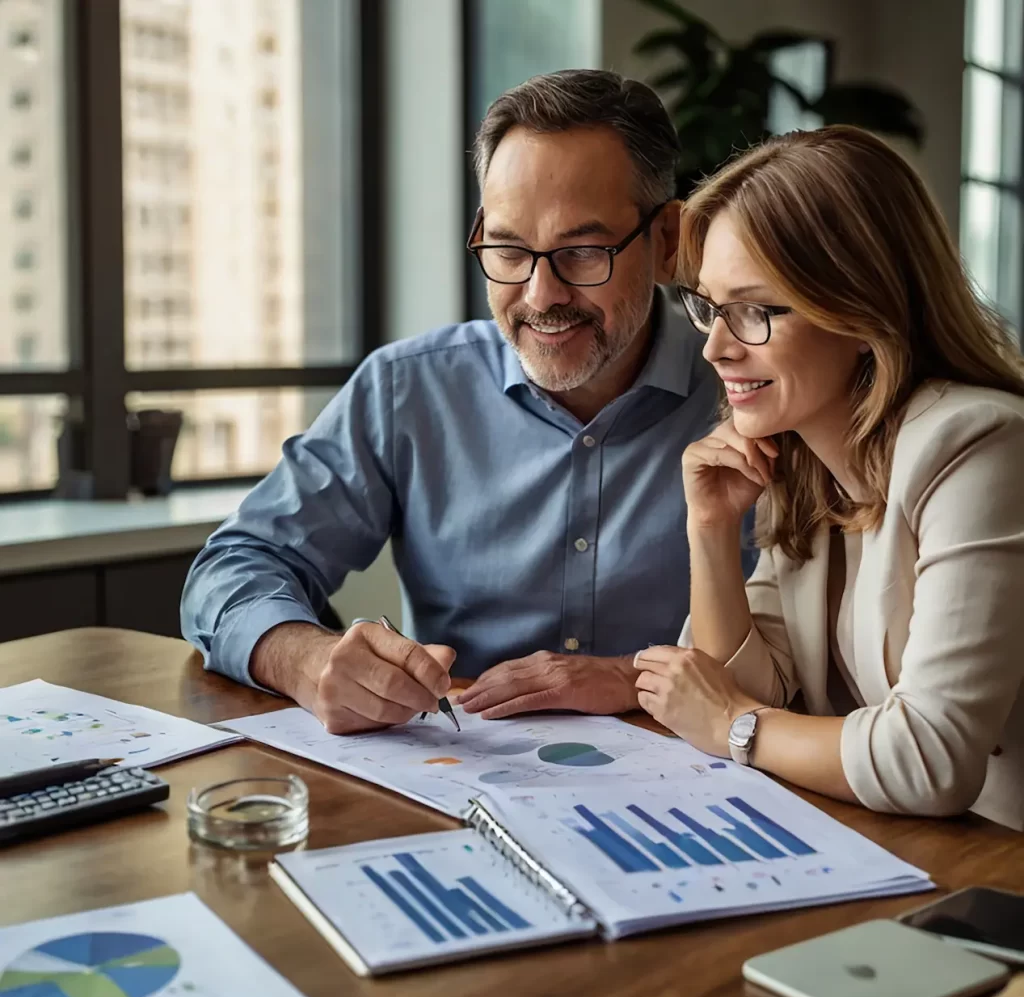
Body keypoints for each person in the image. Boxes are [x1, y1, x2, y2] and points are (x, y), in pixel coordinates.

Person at [181, 70, 735, 735]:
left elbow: (811, 652)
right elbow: (231, 569)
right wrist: (308, 659)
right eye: (507, 249)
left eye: (583, 251)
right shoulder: (407, 388)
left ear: (669, 240)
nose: (540, 296)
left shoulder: (750, 396)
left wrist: (631, 676)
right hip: (458, 783)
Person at [633, 125, 1024, 831]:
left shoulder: (981, 446)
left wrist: (734, 724)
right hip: (921, 855)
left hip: (999, 866)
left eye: (756, 311)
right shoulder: (804, 454)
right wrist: (713, 531)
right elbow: (756, 683)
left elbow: (930, 758)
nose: (717, 347)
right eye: (711, 308)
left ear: (857, 306)